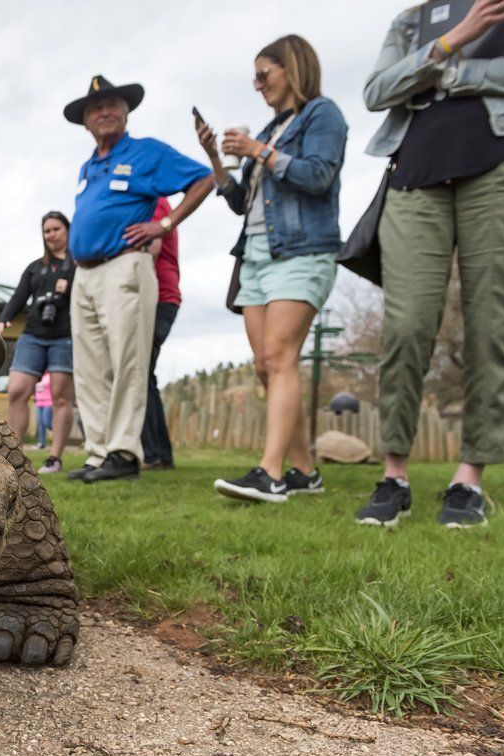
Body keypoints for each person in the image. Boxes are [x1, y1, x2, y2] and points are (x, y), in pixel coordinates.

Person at [356, 0, 504, 528]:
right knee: (406, 323)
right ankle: (394, 474)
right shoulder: (411, 20)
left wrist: (455, 73)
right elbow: (377, 90)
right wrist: (452, 40)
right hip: (416, 170)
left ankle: (468, 478)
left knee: (493, 323)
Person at [195, 35, 348, 503]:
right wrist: (217, 160)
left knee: (281, 358)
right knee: (266, 366)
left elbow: (318, 176)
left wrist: (258, 150)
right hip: (256, 256)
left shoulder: (322, 114)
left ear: (293, 68)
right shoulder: (274, 127)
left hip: (300, 251)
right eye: (255, 77)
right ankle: (304, 470)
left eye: (265, 74)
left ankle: (270, 473)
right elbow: (242, 203)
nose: (257, 84)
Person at [64, 75, 213, 483]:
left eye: (113, 104)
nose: (105, 112)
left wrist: (163, 224)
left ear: (126, 112)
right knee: (91, 368)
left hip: (125, 267)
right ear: (86, 122)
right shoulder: (88, 167)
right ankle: (97, 454)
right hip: (85, 274)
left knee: (128, 361)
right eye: (96, 108)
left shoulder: (146, 152)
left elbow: (204, 179)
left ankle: (124, 452)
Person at [0, 212, 77, 474]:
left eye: (56, 229)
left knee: (61, 398)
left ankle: (55, 458)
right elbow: (19, 297)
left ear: (67, 230)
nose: (51, 234)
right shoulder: (35, 267)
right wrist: (3, 320)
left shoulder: (79, 265)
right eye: (47, 231)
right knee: (17, 390)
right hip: (33, 335)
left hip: (65, 336)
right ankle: (13, 456)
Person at [141, 196, 180, 471]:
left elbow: (151, 249)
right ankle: (159, 452)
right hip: (160, 297)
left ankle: (155, 452)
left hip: (159, 298)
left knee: (140, 374)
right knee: (145, 376)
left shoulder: (154, 202)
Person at [34, 373, 54, 449]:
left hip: (49, 401)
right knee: (41, 423)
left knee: (47, 422)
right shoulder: (38, 375)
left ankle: (60, 433)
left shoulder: (51, 375)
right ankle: (41, 443)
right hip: (39, 402)